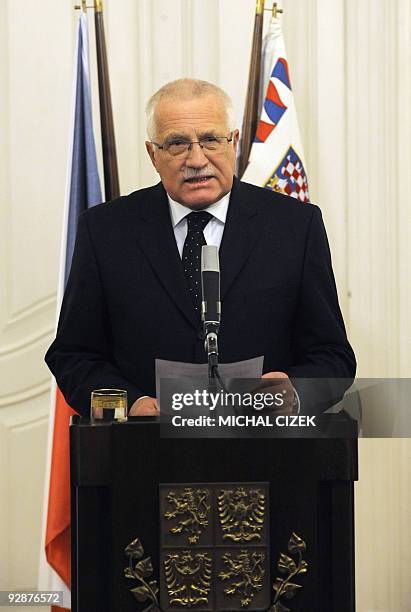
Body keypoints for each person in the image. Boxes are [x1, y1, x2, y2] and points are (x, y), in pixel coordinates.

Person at [45, 78, 356, 418]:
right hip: (144, 454)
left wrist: (295, 392)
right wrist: (131, 403)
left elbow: (333, 355)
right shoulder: (105, 230)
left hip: (269, 452)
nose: (196, 159)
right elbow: (74, 354)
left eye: (210, 140)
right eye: (178, 144)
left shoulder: (295, 225)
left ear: (233, 143)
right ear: (153, 154)